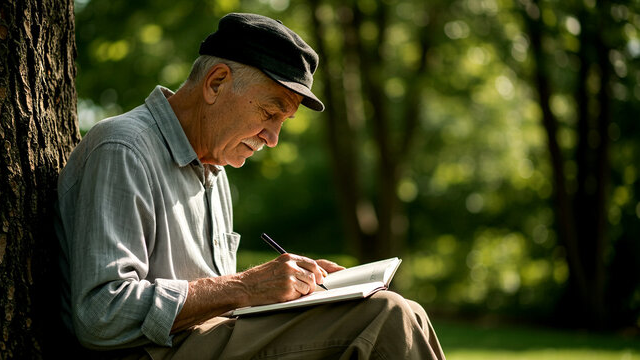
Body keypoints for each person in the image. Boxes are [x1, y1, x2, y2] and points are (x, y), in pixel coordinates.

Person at [55, 12, 446, 359]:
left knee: (393, 310)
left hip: (203, 341)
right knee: (387, 316)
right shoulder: (124, 147)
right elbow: (101, 315)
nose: (273, 138)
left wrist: (288, 291)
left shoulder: (214, 169)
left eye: (282, 121)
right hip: (153, 353)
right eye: (270, 112)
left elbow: (215, 297)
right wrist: (245, 286)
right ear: (216, 83)